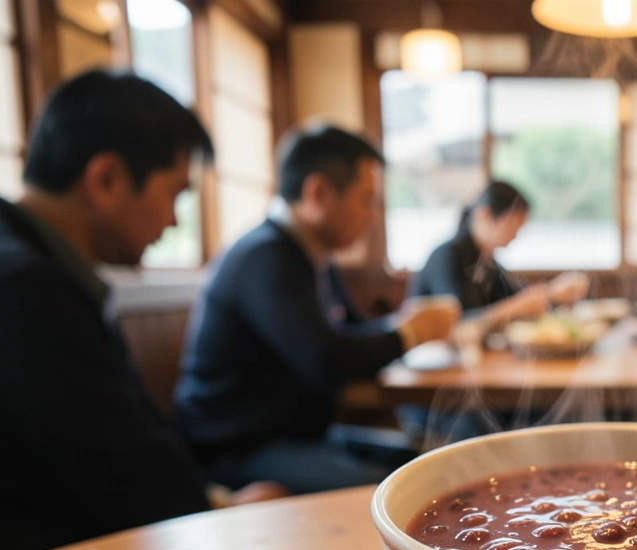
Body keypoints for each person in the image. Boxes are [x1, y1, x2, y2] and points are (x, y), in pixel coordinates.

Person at [0, 70, 281, 550]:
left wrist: (215, 501)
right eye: (175, 193)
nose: (172, 221)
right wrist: (220, 512)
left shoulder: (0, 263)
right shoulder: (18, 289)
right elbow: (124, 477)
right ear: (105, 180)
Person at [174, 125, 460, 495]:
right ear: (318, 193)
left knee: (432, 462)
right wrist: (412, 332)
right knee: (400, 492)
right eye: (367, 199)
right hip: (240, 448)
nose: (374, 217)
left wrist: (407, 326)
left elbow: (354, 334)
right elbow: (326, 359)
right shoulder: (265, 256)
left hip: (303, 436)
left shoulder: (312, 256)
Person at [409, 181, 589, 325]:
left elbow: (518, 295)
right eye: (512, 226)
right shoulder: (447, 257)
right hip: (429, 361)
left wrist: (553, 294)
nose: (515, 236)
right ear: (485, 215)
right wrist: (513, 309)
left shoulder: (486, 261)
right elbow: (457, 323)